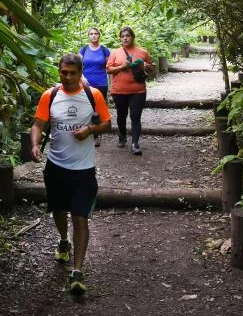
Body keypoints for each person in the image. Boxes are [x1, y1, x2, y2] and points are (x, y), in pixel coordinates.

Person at [31, 53, 112, 296]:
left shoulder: (93, 95)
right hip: (56, 166)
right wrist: (34, 145)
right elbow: (38, 124)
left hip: (83, 169)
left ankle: (77, 271)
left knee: (80, 218)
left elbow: (107, 123)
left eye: (72, 73)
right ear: (59, 72)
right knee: (58, 210)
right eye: (63, 72)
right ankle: (63, 240)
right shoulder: (50, 95)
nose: (67, 77)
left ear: (80, 73)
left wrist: (90, 129)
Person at [106, 26, 153, 155]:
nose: (125, 38)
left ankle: (135, 143)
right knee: (121, 116)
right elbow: (108, 69)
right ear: (120, 39)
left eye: (128, 36)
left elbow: (151, 70)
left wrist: (147, 67)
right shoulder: (115, 53)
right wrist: (122, 66)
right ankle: (122, 136)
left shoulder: (142, 52)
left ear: (133, 37)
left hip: (138, 91)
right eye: (123, 36)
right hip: (119, 91)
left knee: (135, 117)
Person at [79, 27, 111, 147]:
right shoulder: (84, 49)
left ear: (99, 35)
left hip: (101, 83)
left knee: (98, 109)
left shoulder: (104, 50)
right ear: (88, 36)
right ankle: (85, 131)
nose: (93, 35)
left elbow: (109, 68)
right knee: (87, 108)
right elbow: (77, 65)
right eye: (91, 34)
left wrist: (112, 84)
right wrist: (82, 77)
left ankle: (97, 134)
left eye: (96, 33)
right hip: (86, 84)